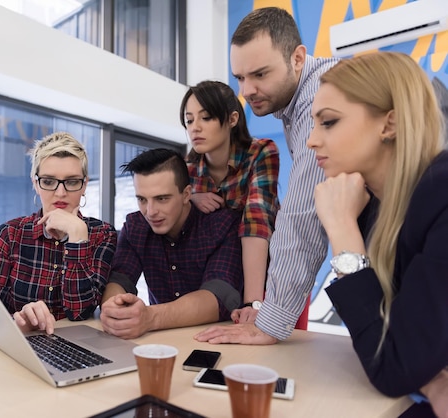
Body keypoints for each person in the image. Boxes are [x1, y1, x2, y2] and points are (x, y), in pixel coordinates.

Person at [308, 52, 448, 416]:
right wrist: (428, 375)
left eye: (328, 122)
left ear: (389, 124)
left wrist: (341, 230)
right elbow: (391, 343)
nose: (311, 141)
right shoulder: (375, 207)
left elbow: (393, 365)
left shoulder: (442, 194)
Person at [195, 7, 339, 344]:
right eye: (240, 78)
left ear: (298, 58)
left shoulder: (319, 96)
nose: (247, 90)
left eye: (260, 74)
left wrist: (268, 320)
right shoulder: (291, 105)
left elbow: (302, 216)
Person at [0, 132, 117, 345]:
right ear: (36, 184)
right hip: (13, 346)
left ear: (84, 185)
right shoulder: (10, 234)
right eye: (48, 181)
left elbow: (80, 312)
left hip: (70, 350)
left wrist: (77, 238)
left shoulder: (103, 234)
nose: (60, 192)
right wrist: (17, 324)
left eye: (72, 182)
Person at [100, 148, 244, 339]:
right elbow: (119, 280)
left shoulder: (223, 225)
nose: (150, 212)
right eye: (142, 199)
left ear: (186, 194)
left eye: (161, 199)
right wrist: (114, 310)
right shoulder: (136, 226)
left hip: (218, 342)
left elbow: (219, 297)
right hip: (160, 343)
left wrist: (149, 318)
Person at [180, 80, 279, 324]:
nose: (195, 128)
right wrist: (190, 198)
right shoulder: (187, 169)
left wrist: (253, 303)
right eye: (189, 120)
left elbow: (256, 220)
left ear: (232, 119)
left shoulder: (261, 152)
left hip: (270, 275)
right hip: (217, 281)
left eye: (206, 118)